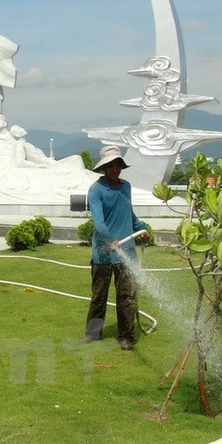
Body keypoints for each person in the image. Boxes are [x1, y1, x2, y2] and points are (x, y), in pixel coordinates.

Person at [83, 145, 150, 350]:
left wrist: (141, 228)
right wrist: (110, 240)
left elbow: (128, 213)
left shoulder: (126, 187)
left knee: (127, 296)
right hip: (104, 254)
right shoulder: (96, 190)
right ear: (104, 168)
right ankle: (93, 335)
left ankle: (126, 336)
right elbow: (99, 222)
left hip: (126, 252)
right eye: (111, 166)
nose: (115, 169)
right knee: (98, 297)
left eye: (118, 165)